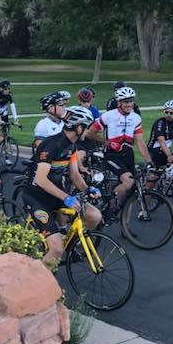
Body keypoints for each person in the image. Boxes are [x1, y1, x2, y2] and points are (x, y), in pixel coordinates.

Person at [22, 107, 102, 268]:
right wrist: (66, 197)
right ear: (78, 127)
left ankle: (68, 242)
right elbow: (40, 180)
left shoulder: (72, 146)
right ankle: (37, 277)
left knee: (94, 216)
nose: (89, 131)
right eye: (86, 127)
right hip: (37, 198)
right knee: (57, 249)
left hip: (56, 195)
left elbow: (74, 174)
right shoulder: (50, 145)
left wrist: (87, 189)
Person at [92, 86, 152, 208]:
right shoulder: (108, 116)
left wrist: (149, 161)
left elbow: (140, 141)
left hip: (128, 155)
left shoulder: (136, 118)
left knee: (131, 189)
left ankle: (123, 216)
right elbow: (90, 133)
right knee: (128, 181)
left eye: (131, 101)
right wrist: (106, 142)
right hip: (112, 155)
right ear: (119, 102)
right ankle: (110, 204)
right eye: (125, 102)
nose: (129, 104)